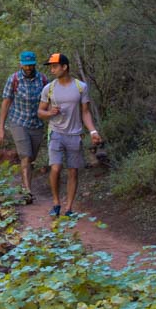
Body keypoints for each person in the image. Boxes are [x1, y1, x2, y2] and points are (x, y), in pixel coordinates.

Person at [38, 53, 102, 218]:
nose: (52, 70)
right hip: (55, 133)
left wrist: (93, 131)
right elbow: (40, 112)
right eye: (51, 67)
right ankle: (56, 202)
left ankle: (69, 208)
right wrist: (50, 112)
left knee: (73, 171)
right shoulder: (49, 88)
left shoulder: (81, 87)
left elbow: (85, 113)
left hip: (75, 134)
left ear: (64, 67)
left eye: (54, 66)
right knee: (56, 167)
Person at [0, 50, 46, 203]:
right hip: (18, 121)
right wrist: (1, 127)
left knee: (31, 157)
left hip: (36, 123)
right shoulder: (14, 79)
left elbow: (51, 101)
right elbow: (6, 103)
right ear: (20, 64)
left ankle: (26, 184)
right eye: (26, 66)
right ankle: (27, 192)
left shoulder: (43, 80)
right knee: (25, 156)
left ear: (35, 64)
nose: (28, 68)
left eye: (31, 65)